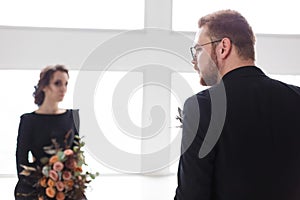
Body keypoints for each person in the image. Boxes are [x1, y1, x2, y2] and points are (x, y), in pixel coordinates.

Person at [174, 9, 300, 200]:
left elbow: (192, 196)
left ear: (223, 47)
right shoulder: (296, 97)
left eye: (198, 49)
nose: (194, 61)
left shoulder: (201, 108)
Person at [14, 65, 81, 199]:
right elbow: (21, 158)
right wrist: (39, 185)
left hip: (66, 187)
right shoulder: (28, 120)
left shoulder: (72, 116)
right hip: (36, 186)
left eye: (66, 84)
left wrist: (69, 181)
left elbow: (76, 154)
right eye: (58, 83)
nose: (63, 89)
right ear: (44, 86)